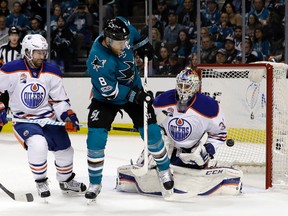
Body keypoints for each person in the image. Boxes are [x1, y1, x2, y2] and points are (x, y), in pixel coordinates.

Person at [85, 17, 174, 201]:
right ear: (108, 40)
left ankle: (165, 170)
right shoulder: (97, 59)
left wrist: (143, 44)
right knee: (95, 138)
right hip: (106, 99)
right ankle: (95, 182)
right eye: (120, 43)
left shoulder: (122, 30)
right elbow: (111, 92)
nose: (125, 45)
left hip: (134, 89)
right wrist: (137, 96)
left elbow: (132, 31)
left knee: (152, 133)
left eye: (126, 41)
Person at [116, 67, 242, 197]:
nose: (182, 89)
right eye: (180, 85)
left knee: (196, 159)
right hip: (169, 145)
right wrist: (149, 130)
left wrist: (208, 150)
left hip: (192, 150)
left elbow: (219, 135)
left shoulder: (209, 107)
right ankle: (147, 161)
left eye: (187, 86)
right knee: (153, 156)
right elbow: (153, 123)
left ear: (195, 87)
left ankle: (207, 164)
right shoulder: (162, 100)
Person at [0, 34, 86, 199]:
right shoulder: (11, 69)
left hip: (48, 118)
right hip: (23, 120)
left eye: (43, 52)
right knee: (38, 144)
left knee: (66, 149)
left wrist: (68, 117)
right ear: (27, 52)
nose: (42, 56)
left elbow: (59, 101)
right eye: (37, 52)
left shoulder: (52, 71)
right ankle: (41, 181)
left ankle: (66, 181)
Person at [0, 26, 22, 132]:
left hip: (19, 83)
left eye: (16, 35)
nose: (14, 37)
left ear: (18, 36)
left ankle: (22, 129)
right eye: (12, 35)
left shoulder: (23, 49)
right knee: (2, 106)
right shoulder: (2, 49)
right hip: (5, 82)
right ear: (8, 36)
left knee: (19, 106)